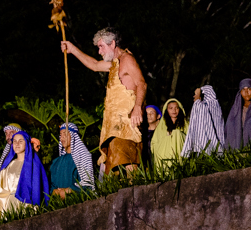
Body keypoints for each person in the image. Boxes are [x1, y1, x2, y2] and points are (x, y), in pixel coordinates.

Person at [61, 27, 146, 174]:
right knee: (114, 166)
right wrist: (72, 49)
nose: (99, 51)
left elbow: (142, 83)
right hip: (113, 126)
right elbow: (94, 65)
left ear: (112, 44)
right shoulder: (115, 64)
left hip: (126, 123)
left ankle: (136, 191)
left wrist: (138, 107)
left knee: (129, 160)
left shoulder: (127, 60)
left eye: (101, 47)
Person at [0, 131, 51, 215]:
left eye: (20, 141)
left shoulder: (34, 165)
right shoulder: (8, 165)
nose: (17, 144)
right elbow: (1, 188)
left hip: (26, 206)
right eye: (14, 141)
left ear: (26, 143)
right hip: (8, 206)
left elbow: (36, 189)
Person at [50, 122, 95, 198]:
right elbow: (53, 186)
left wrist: (69, 190)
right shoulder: (56, 162)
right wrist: (55, 191)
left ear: (73, 136)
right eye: (60, 135)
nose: (62, 137)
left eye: (65, 134)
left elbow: (87, 183)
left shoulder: (83, 157)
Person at [181, 85, 227, 157]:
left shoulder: (207, 105)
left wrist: (197, 96)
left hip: (208, 148)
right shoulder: (215, 106)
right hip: (217, 147)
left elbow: (199, 108)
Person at [149, 98, 188, 168]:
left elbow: (190, 139)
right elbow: (154, 143)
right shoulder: (162, 125)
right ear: (166, 110)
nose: (174, 110)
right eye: (171, 108)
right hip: (164, 154)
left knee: (177, 133)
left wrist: (177, 136)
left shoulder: (185, 123)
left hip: (180, 152)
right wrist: (168, 140)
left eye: (176, 108)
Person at [225, 78, 251, 150]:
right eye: (243, 89)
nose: (246, 92)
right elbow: (229, 129)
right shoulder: (235, 111)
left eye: (249, 88)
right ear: (240, 92)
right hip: (239, 152)